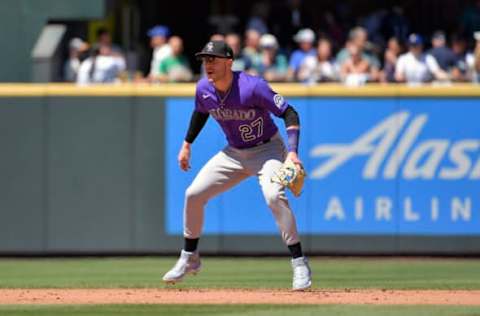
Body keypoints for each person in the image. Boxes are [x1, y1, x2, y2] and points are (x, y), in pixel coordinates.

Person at [162, 40, 312, 291]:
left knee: (274, 196)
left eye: (213, 59)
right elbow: (201, 112)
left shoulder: (253, 87)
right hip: (233, 154)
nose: (207, 64)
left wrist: (293, 153)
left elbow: (290, 113)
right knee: (193, 194)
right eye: (204, 59)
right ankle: (190, 257)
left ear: (229, 62)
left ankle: (299, 262)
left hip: (267, 150)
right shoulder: (203, 88)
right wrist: (186, 144)